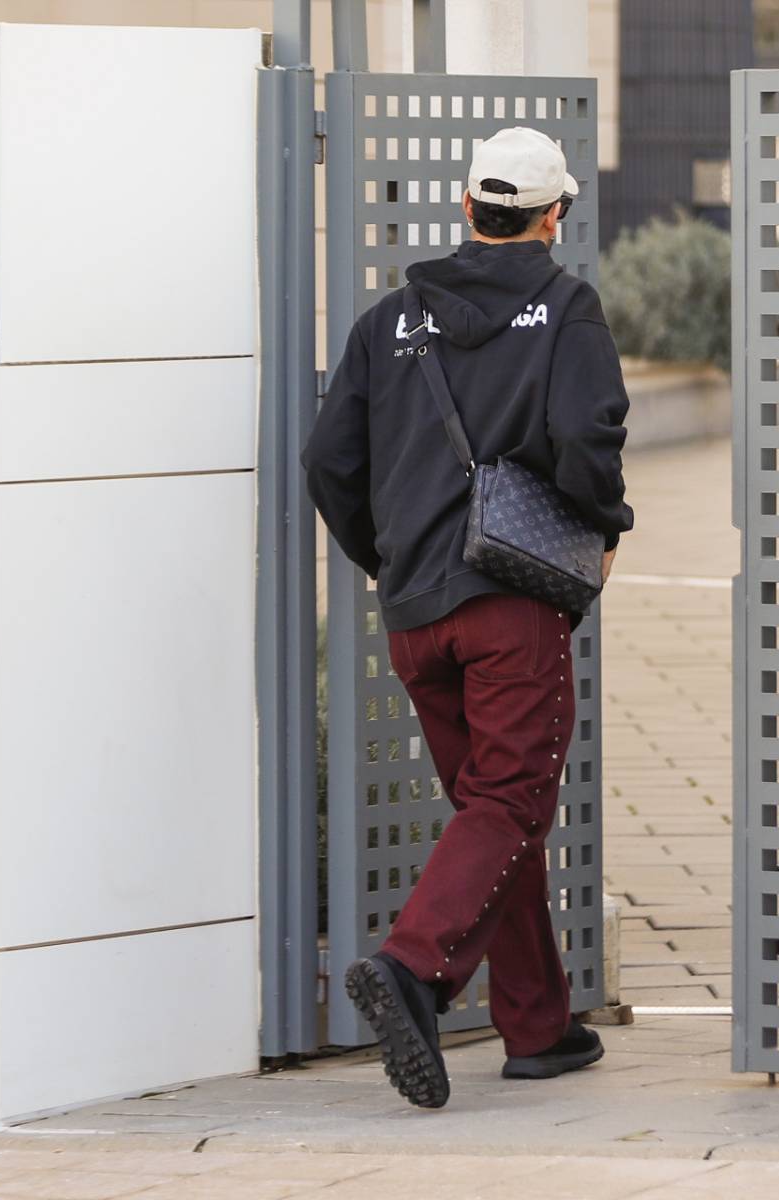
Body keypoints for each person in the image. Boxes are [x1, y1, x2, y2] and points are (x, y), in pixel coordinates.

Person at [302, 126, 634, 1109]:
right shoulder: (565, 306)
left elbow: (330, 463)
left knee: (495, 810)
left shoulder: (385, 321)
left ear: (465, 209)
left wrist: (390, 559)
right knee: (511, 802)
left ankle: (538, 1028)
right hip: (510, 602)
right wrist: (606, 524)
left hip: (417, 612)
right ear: (553, 215)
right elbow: (585, 435)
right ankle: (413, 965)